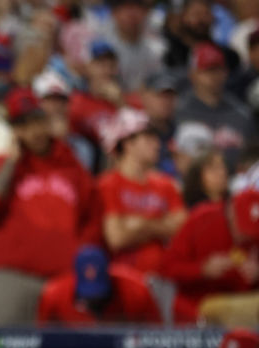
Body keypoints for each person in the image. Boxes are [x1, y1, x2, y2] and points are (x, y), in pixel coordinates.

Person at [0, 88, 97, 326]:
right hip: (13, 278)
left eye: (37, 122)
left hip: (63, 279)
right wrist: (11, 163)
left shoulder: (71, 165)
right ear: (14, 131)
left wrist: (78, 259)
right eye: (23, 125)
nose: (34, 131)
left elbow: (91, 216)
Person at [96, 108, 186, 277]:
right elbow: (116, 238)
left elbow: (182, 229)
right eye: (148, 138)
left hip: (164, 277)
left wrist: (140, 224)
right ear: (128, 144)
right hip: (122, 278)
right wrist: (161, 224)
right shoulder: (107, 185)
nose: (157, 144)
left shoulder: (166, 184)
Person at [162, 188, 259, 323]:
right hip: (196, 306)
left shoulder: (253, 238)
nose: (244, 235)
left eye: (251, 231)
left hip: (241, 307)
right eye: (241, 224)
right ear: (231, 210)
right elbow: (168, 269)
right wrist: (202, 269)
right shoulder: (202, 218)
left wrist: (256, 274)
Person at [174, 42, 255, 170]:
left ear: (226, 72)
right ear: (193, 74)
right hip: (190, 182)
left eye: (218, 70)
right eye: (207, 70)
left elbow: (252, 157)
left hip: (235, 181)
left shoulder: (242, 113)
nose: (214, 76)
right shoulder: (178, 110)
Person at [37, 246, 162, 325]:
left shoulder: (136, 291)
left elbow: (156, 336)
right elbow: (41, 338)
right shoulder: (54, 294)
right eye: (89, 298)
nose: (95, 303)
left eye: (99, 297)